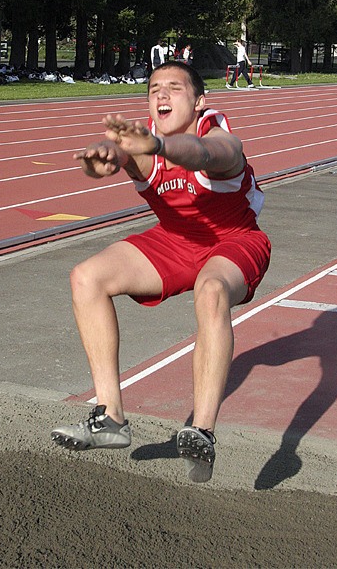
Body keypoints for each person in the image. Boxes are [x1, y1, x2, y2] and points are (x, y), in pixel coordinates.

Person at [51, 61, 271, 483]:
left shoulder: (220, 138)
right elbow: (117, 155)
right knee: (86, 276)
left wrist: (158, 147)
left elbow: (205, 154)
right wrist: (103, 159)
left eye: (174, 87)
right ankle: (110, 416)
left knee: (210, 290)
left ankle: (201, 432)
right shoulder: (142, 144)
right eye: (154, 89)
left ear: (200, 100)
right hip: (174, 241)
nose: (162, 95)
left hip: (234, 240)